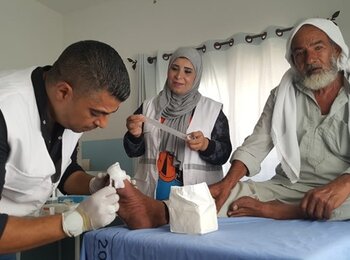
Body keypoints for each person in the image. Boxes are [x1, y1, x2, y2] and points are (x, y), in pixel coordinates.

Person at [114, 17, 350, 230]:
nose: (310, 59)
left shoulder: (212, 109)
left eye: (318, 47)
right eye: (300, 53)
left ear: (336, 50)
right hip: (289, 187)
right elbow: (256, 145)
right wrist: (226, 184)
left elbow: (221, 151)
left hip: (344, 186)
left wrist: (342, 184)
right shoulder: (282, 95)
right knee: (230, 195)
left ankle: (279, 211)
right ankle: (155, 212)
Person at [0, 40, 130, 257]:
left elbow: (61, 170)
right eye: (97, 112)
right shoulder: (6, 109)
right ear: (63, 92)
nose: (103, 124)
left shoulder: (70, 114)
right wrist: (76, 221)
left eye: (109, 114)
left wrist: (92, 184)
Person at [123, 47, 232, 200]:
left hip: (197, 198)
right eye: (174, 69)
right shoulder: (148, 107)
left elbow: (225, 154)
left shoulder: (212, 110)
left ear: (197, 76)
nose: (179, 76)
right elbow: (133, 152)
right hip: (151, 196)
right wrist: (134, 136)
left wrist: (205, 145)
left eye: (187, 71)